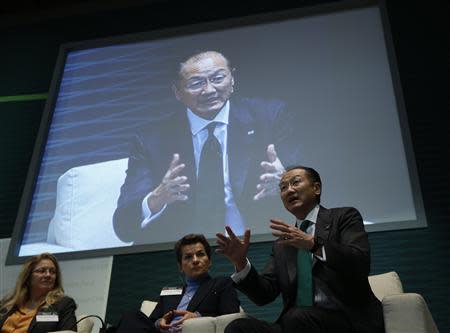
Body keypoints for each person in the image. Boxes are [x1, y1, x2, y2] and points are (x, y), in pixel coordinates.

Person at [113, 50, 301, 244]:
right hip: (188, 255)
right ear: (177, 92)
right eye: (196, 83)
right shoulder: (150, 140)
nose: (209, 90)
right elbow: (123, 226)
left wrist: (286, 182)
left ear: (232, 79)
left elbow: (309, 192)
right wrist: (157, 198)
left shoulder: (270, 117)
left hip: (258, 243)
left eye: (218, 78)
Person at [216, 165, 384, 333]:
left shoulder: (343, 217)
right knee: (238, 328)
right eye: (283, 188)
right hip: (294, 324)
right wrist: (240, 263)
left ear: (316, 188)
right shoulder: (283, 244)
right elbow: (264, 294)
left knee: (297, 318)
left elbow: (359, 262)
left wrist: (314, 245)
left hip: (346, 321)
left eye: (295, 182)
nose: (289, 190)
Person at [114, 233, 240, 333]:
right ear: (180, 266)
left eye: (200, 254)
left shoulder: (222, 284)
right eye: (188, 257)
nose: (195, 260)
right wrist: (160, 323)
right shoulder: (169, 292)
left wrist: (197, 316)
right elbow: (151, 321)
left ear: (209, 261)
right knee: (131, 316)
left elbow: (231, 318)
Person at [0, 252, 77, 333]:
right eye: (42, 271)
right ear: (28, 276)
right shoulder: (8, 303)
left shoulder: (62, 304)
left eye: (52, 272)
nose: (48, 275)